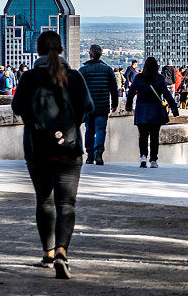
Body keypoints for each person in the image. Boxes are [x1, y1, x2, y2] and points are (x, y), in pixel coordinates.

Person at [11, 31, 93, 280]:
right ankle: (61, 253)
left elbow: (17, 108)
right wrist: (66, 131)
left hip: (37, 149)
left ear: (37, 51)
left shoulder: (29, 77)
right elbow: (87, 108)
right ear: (61, 50)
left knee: (44, 201)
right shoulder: (75, 77)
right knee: (66, 204)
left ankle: (47, 253)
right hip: (68, 150)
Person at [125, 57, 179, 168]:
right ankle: (153, 159)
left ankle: (143, 156)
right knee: (155, 136)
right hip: (156, 110)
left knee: (143, 136)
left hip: (142, 110)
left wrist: (129, 106)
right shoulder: (159, 78)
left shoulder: (139, 77)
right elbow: (167, 94)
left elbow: (131, 93)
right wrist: (174, 108)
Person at [78, 45, 118, 166]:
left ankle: (89, 155)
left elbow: (78, 91)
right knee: (101, 130)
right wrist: (114, 104)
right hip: (102, 106)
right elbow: (114, 89)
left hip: (88, 107)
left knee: (89, 130)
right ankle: (98, 153)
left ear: (90, 55)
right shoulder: (108, 70)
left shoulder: (83, 70)